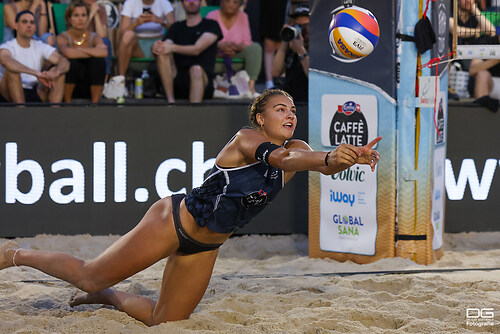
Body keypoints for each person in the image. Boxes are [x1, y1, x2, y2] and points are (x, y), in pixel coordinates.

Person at [0, 89, 381, 326]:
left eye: (293, 109)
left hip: (207, 245)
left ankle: (109, 298)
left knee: (163, 320)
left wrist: (347, 158)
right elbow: (281, 161)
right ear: (261, 118)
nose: (290, 114)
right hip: (173, 222)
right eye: (280, 109)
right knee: (88, 276)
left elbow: (313, 161)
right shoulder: (247, 139)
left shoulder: (297, 149)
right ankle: (14, 253)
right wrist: (329, 156)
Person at [152, 0, 222, 103]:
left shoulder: (211, 25)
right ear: (182, 4)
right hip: (177, 78)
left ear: (201, 2)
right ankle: (171, 103)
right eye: (188, 0)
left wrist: (172, 47)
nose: (191, 2)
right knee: (162, 52)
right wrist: (157, 47)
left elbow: (196, 49)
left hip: (202, 80)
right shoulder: (176, 27)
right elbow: (166, 45)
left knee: (196, 70)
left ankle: (194, 115)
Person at [0, 10, 69, 104]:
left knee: (60, 73)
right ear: (16, 26)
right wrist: (35, 73)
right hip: (10, 92)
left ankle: (54, 114)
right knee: (12, 72)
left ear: (35, 28)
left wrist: (56, 73)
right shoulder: (7, 46)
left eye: (32, 22)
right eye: (24, 22)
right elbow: (5, 61)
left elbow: (63, 61)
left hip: (36, 90)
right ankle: (21, 112)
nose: (29, 25)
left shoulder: (40, 45)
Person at [206, 0, 262, 98]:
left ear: (239, 4)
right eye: (227, 1)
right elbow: (205, 41)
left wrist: (234, 47)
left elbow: (247, 42)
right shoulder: (211, 15)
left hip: (236, 54)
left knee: (255, 48)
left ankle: (250, 88)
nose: (231, 5)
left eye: (235, 2)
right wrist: (220, 47)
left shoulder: (243, 16)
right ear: (221, 2)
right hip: (215, 58)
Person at [56, 1, 107, 103]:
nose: (80, 19)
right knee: (72, 63)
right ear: (69, 19)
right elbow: (67, 53)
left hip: (89, 83)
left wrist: (79, 50)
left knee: (99, 62)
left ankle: (95, 103)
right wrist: (92, 51)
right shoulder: (63, 37)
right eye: (76, 15)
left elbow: (104, 52)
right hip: (70, 83)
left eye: (83, 15)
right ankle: (67, 102)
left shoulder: (94, 37)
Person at [117, 0, 175, 76]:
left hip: (158, 44)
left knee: (167, 42)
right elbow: (122, 33)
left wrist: (160, 21)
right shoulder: (130, 3)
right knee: (128, 35)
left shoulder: (164, 2)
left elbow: (175, 30)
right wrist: (136, 23)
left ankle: (171, 83)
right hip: (137, 46)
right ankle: (120, 79)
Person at [271, 5, 309, 102]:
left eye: (303, 26)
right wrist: (285, 40)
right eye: (297, 26)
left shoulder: (319, 47)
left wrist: (301, 51)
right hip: (291, 100)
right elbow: (275, 72)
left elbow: (315, 79)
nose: (301, 30)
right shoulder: (292, 45)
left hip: (308, 101)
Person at [259, 0, 287, 89]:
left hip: (284, 13)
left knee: (284, 47)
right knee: (269, 47)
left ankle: (283, 78)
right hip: (269, 12)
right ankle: (269, 81)